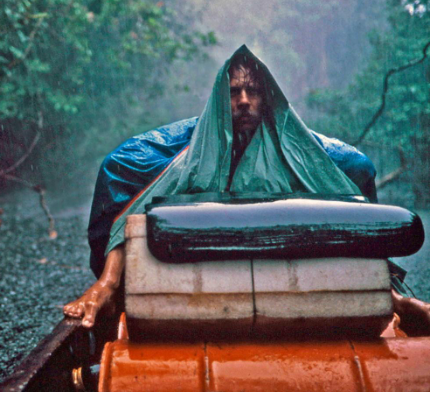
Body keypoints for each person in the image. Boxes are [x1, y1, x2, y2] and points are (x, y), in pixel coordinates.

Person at [64, 45, 430, 333]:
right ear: (221, 100)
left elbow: (347, 192)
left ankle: (393, 299)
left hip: (289, 152)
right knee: (122, 166)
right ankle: (111, 289)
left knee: (355, 167)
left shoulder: (288, 142)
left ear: (266, 97)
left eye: (253, 91)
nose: (243, 101)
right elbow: (143, 200)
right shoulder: (199, 145)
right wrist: (109, 279)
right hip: (191, 146)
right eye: (235, 91)